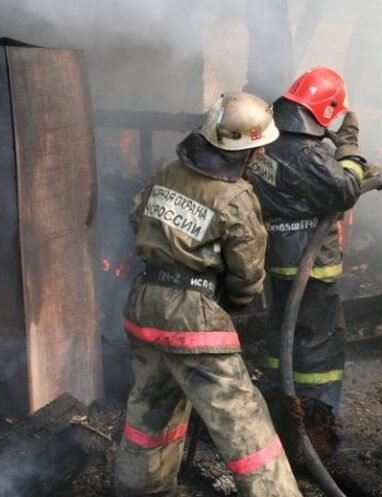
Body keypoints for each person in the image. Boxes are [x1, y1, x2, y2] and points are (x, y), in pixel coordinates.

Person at [114, 92, 302, 497]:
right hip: (191, 316)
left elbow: (136, 216)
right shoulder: (235, 197)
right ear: (247, 150)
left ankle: (139, 490)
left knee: (151, 408)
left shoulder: (167, 172)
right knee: (242, 421)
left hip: (143, 303)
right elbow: (248, 275)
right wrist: (227, 302)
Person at [247, 66, 377, 419]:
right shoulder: (307, 153)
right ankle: (318, 415)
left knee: (282, 329)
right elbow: (345, 191)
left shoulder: (268, 141)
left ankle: (280, 399)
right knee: (322, 341)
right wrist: (349, 148)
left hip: (275, 255)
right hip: (310, 260)